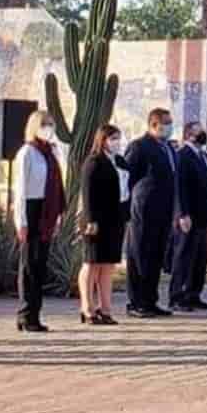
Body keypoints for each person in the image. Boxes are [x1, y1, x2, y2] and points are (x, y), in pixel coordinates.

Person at [124, 108, 187, 318]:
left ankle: (150, 300)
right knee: (140, 256)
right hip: (143, 210)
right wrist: (129, 207)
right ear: (153, 124)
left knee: (156, 257)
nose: (169, 127)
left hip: (164, 211)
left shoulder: (168, 148)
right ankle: (136, 302)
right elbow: (128, 178)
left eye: (170, 123)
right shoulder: (140, 147)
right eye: (165, 123)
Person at [10, 111, 68, 333]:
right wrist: (21, 222)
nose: (49, 128)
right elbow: (21, 190)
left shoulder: (51, 152)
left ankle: (35, 312)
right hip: (32, 210)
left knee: (40, 265)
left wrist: (58, 215)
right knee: (29, 265)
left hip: (47, 211)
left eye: (51, 124)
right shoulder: (27, 152)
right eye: (44, 124)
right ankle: (25, 313)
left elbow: (56, 186)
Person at [77, 124, 129, 325]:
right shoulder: (94, 162)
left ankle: (105, 309)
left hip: (115, 218)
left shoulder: (119, 161)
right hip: (97, 219)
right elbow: (88, 192)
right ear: (103, 139)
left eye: (118, 137)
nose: (116, 142)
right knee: (91, 263)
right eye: (112, 138)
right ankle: (87, 308)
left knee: (107, 265)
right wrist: (91, 219)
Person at [170, 122, 207, 311]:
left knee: (200, 258)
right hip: (190, 216)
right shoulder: (183, 156)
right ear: (189, 134)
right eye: (199, 131)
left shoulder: (203, 156)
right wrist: (182, 213)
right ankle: (177, 295)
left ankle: (194, 294)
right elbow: (180, 186)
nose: (203, 134)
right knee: (184, 256)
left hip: (204, 217)